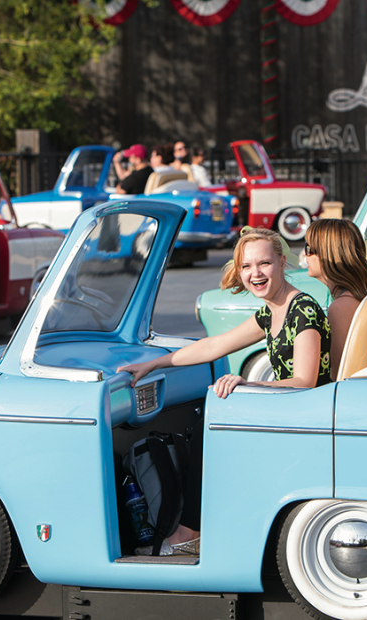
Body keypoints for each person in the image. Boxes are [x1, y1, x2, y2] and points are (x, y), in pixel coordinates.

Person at [117, 228, 331, 556]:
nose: (255, 274)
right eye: (246, 266)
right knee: (205, 417)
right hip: (290, 408)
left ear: (282, 262)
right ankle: (191, 527)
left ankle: (189, 533)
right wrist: (155, 364)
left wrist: (249, 384)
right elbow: (216, 345)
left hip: (305, 415)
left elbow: (305, 381)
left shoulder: (302, 309)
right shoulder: (272, 310)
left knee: (210, 420)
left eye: (264, 264)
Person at [304, 219, 367, 380]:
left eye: (309, 249)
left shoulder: (342, 306)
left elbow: (339, 376)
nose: (306, 255)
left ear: (327, 254)